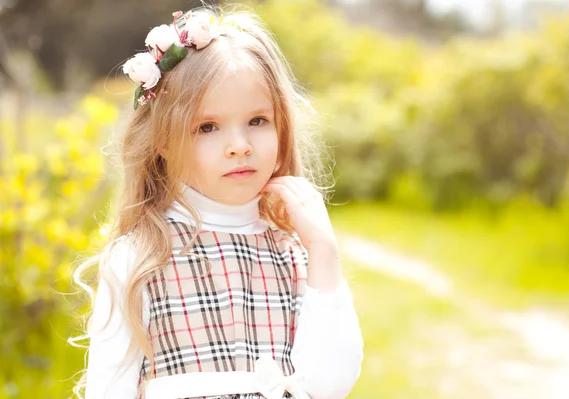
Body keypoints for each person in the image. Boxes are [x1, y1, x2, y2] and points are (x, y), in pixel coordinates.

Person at [72, 5, 363, 399]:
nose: (239, 147)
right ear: (162, 139)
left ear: (282, 126)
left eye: (257, 121)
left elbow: (331, 386)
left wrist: (324, 251)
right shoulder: (140, 258)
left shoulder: (296, 256)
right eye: (207, 127)